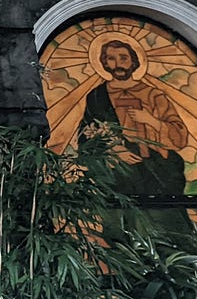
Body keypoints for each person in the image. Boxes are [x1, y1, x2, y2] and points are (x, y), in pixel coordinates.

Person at [81, 39, 191, 197]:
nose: (118, 64)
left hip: (157, 169)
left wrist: (151, 120)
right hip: (118, 174)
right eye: (111, 59)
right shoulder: (97, 97)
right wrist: (113, 150)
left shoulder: (153, 95)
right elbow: (86, 136)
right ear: (104, 63)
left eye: (123, 58)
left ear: (134, 61)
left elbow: (180, 136)